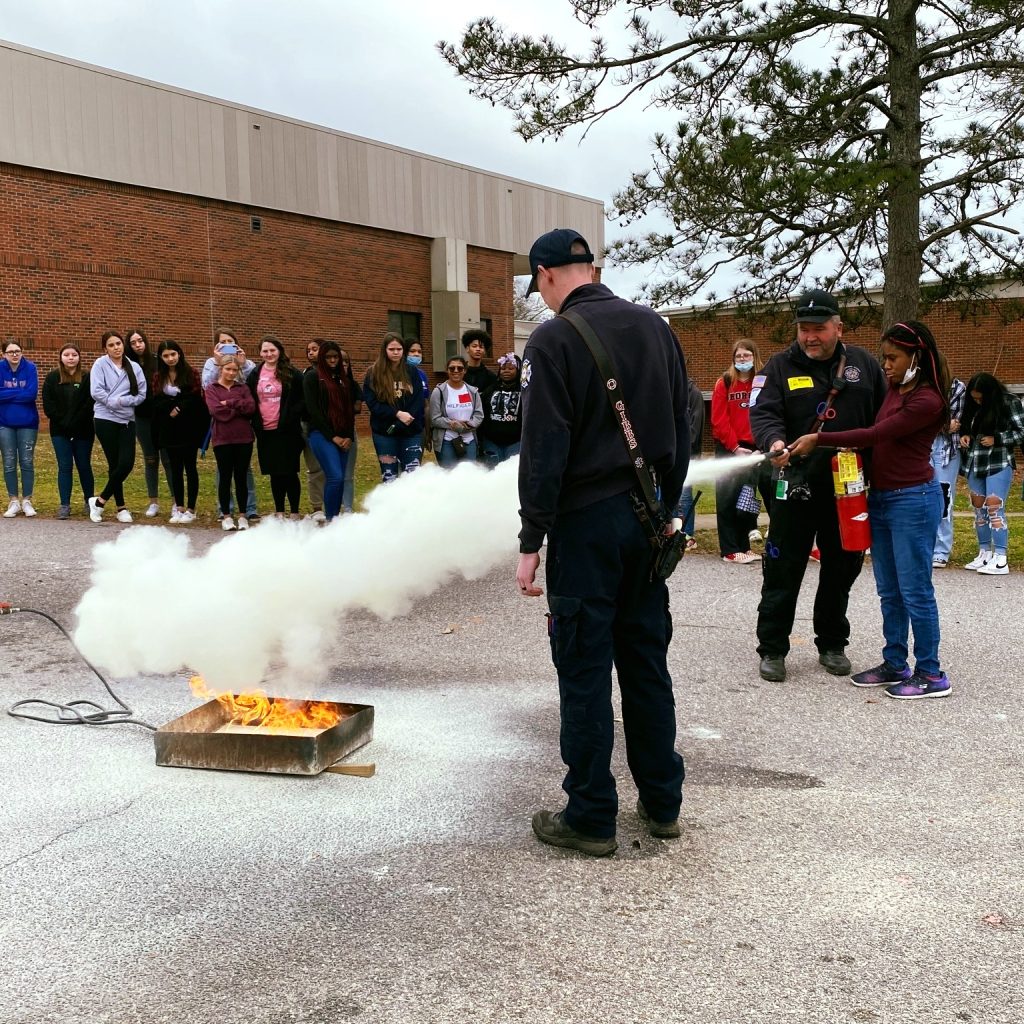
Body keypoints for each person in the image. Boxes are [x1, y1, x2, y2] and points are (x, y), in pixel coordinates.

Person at [515, 228, 689, 857]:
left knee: (584, 671)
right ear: (592, 268)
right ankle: (662, 802)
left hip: (585, 526)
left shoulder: (552, 339)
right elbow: (683, 420)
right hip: (648, 522)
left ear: (547, 275)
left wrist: (531, 535)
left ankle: (590, 815)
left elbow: (544, 448)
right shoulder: (655, 326)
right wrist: (668, 508)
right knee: (646, 663)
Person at [787, 320, 950, 700]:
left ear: (917, 357)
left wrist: (820, 439)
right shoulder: (894, 389)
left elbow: (879, 434)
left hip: (913, 500)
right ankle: (895, 662)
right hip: (882, 498)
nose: (886, 366)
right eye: (884, 357)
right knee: (889, 591)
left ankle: (931, 673)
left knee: (916, 591)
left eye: (893, 358)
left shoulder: (928, 400)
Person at [748, 288, 886, 683]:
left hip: (847, 487)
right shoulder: (777, 367)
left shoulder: (864, 366)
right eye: (803, 329)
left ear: (838, 327)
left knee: (842, 568)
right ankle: (773, 647)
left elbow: (882, 420)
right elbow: (763, 413)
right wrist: (774, 441)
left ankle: (831, 643)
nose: (810, 337)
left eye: (819, 329)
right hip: (795, 486)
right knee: (783, 568)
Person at [711, 339, 771, 564]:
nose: (742, 360)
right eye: (738, 356)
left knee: (746, 500)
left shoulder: (762, 383)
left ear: (754, 356)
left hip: (756, 449)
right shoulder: (724, 383)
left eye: (746, 355)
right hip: (731, 449)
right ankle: (729, 549)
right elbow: (719, 420)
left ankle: (744, 547)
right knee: (727, 498)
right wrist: (735, 448)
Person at [959, 372, 1024, 575]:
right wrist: (965, 436)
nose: (977, 401)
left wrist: (997, 438)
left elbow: (1021, 431)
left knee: (994, 508)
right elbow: (968, 426)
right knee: (979, 510)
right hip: (975, 462)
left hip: (998, 462)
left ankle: (1001, 557)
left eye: (981, 397)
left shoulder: (1009, 403)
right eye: (974, 397)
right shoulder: (973, 407)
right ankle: (984, 552)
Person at [89, 330, 148, 523]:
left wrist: (122, 402)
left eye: (118, 344)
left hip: (126, 419)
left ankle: (99, 501)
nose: (116, 348)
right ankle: (121, 507)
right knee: (114, 464)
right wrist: (112, 402)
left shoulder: (134, 367)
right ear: (105, 348)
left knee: (126, 463)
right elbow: (96, 391)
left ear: (123, 345)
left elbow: (141, 394)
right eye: (111, 345)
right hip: (104, 418)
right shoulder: (100, 364)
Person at [201, 327, 259, 522]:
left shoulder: (247, 364)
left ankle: (248, 509)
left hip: (243, 433)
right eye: (222, 342)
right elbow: (213, 401)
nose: (227, 346)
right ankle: (225, 511)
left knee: (243, 473)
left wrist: (231, 403)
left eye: (230, 342)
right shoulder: (211, 363)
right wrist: (218, 361)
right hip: (223, 434)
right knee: (224, 474)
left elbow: (250, 400)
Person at [248, 336, 305, 518]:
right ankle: (279, 510)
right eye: (265, 351)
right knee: (275, 473)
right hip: (266, 431)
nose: (269, 354)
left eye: (272, 350)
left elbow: (302, 400)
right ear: (260, 353)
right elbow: (250, 398)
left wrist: (290, 417)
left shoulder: (292, 373)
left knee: (289, 472)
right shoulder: (255, 374)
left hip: (288, 431)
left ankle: (294, 511)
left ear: (279, 351)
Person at [151, 340, 208, 523]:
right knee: (175, 468)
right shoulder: (158, 376)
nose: (170, 358)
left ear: (179, 354)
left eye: (173, 354)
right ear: (161, 357)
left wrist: (179, 408)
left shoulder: (191, 373)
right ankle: (179, 507)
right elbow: (157, 400)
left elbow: (194, 398)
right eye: (166, 356)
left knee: (190, 467)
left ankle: (191, 508)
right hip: (169, 429)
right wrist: (171, 406)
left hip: (189, 427)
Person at [302, 340, 354, 521]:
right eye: (328, 357)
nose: (332, 360)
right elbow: (313, 411)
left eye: (335, 357)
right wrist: (333, 437)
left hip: (344, 436)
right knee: (335, 476)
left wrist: (348, 436)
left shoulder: (344, 379)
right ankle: (331, 519)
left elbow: (349, 410)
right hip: (321, 434)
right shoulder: (312, 377)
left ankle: (336, 517)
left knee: (341, 480)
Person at [42, 344, 95, 520]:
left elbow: (90, 403)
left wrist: (74, 422)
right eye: (66, 354)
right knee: (65, 466)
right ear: (61, 357)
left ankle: (90, 502)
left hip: (83, 429)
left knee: (84, 466)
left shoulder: (88, 377)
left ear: (79, 357)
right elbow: (49, 405)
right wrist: (64, 423)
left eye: (74, 354)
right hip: (59, 430)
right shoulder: (52, 377)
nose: (70, 358)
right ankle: (64, 504)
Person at [362, 332, 424, 483]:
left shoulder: (412, 371)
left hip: (411, 431)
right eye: (391, 349)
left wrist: (405, 418)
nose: (396, 352)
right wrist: (397, 414)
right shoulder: (373, 373)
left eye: (399, 349)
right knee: (389, 475)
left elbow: (418, 399)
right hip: (384, 432)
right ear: (384, 350)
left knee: (412, 475)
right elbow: (373, 403)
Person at [125, 328, 165, 518]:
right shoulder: (127, 364)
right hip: (141, 417)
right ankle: (153, 502)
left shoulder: (157, 361)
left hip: (161, 416)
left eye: (140, 341)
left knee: (167, 459)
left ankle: (176, 502)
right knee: (150, 459)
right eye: (133, 343)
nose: (138, 345)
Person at [930, 369, 966, 568]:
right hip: (923, 449)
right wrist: (942, 424)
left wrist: (936, 424)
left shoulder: (957, 388)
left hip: (947, 451)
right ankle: (926, 547)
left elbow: (955, 423)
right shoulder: (922, 386)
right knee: (924, 496)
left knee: (945, 497)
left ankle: (941, 550)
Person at [0, 339, 40, 518]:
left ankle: (27, 500)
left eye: (17, 351)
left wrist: (6, 394)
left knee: (26, 462)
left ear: (22, 352)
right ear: (3, 354)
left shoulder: (30, 368)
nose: (14, 354)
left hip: (28, 423)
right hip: (4, 423)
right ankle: (14, 501)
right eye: (10, 352)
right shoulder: (0, 368)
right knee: (9, 462)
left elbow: (31, 394)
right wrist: (19, 393)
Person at [429, 356, 484, 467]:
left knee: (469, 475)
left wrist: (468, 425)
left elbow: (479, 415)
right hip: (446, 441)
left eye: (460, 368)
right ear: (447, 370)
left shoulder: (472, 391)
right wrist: (452, 424)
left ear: (465, 370)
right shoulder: (438, 391)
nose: (456, 371)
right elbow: (434, 419)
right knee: (449, 477)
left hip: (469, 440)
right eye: (452, 368)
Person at [675, 375, 705, 551]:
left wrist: (681, 448)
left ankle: (687, 535)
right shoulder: (672, 392)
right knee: (669, 496)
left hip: (688, 454)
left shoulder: (694, 394)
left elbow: (695, 428)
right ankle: (672, 531)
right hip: (671, 454)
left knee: (685, 496)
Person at [479, 352, 523, 466]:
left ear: (518, 370)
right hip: (491, 442)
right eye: (503, 368)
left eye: (511, 368)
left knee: (511, 477)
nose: (506, 371)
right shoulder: (490, 390)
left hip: (516, 442)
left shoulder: (525, 391)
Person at [301, 339, 327, 521]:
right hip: (311, 427)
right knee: (315, 468)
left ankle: (335, 504)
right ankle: (317, 506)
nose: (311, 352)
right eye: (308, 350)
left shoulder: (334, 373)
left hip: (332, 427)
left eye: (315, 349)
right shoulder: (306, 374)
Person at [338, 347, 363, 514]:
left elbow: (357, 407)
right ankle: (332, 508)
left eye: (346, 362)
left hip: (349, 432)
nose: (342, 365)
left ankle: (347, 508)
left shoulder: (353, 386)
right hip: (328, 434)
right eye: (340, 362)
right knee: (332, 475)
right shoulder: (322, 384)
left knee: (347, 474)